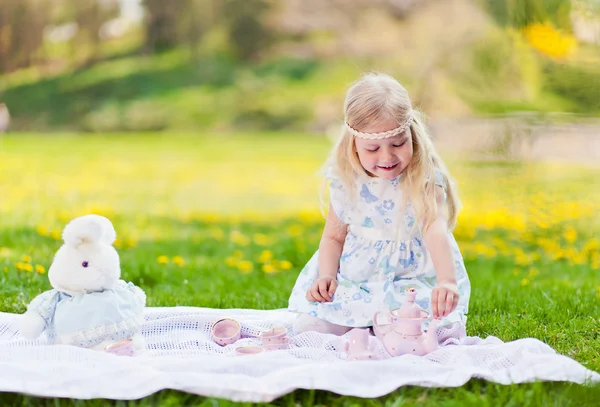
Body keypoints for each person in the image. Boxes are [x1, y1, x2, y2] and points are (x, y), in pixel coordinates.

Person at [288, 73, 470, 339]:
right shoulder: (346, 181)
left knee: (435, 332)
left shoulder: (423, 178)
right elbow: (333, 236)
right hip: (357, 284)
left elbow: (436, 230)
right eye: (373, 148)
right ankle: (365, 325)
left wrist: (447, 282)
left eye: (398, 143)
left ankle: (386, 328)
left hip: (408, 283)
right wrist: (327, 276)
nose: (387, 156)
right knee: (308, 330)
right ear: (354, 144)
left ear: (412, 135)